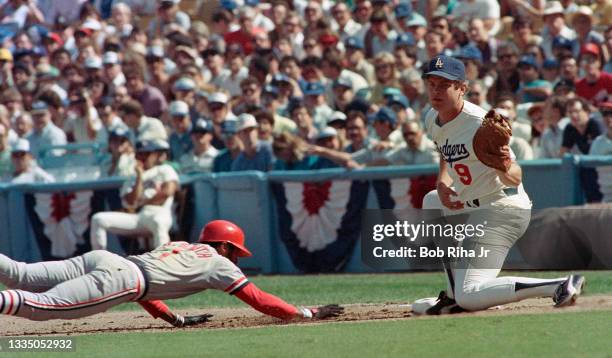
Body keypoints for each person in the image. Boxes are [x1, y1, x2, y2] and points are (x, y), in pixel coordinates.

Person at [414, 55, 584, 315]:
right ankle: (451, 296)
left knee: (471, 295)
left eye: (444, 84)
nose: (436, 90)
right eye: (432, 83)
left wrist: (502, 164)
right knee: (432, 200)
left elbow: (515, 177)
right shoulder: (432, 117)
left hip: (501, 207)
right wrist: (442, 182)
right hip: (471, 203)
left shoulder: (479, 124)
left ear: (462, 88)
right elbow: (445, 153)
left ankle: (559, 284)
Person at [0, 220, 343, 324]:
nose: (235, 258)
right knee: (37, 307)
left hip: (105, 261)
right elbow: (260, 299)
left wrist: (175, 320)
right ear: (224, 247)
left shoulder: (179, 245)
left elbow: (146, 289)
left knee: (20, 273)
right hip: (123, 276)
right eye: (235, 251)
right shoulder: (217, 262)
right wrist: (306, 313)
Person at [90, 139, 179, 251]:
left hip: (160, 212)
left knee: (158, 222)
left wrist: (141, 203)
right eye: (140, 154)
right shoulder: (132, 177)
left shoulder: (164, 169)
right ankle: (99, 259)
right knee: (98, 219)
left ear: (155, 155)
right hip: (138, 217)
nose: (143, 157)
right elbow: (131, 202)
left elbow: (167, 192)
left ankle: (163, 261)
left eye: (147, 154)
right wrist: (139, 177)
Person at [588, 102, 612, 202]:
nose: (609, 117)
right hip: (607, 196)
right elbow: (590, 170)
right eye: (605, 114)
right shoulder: (597, 142)